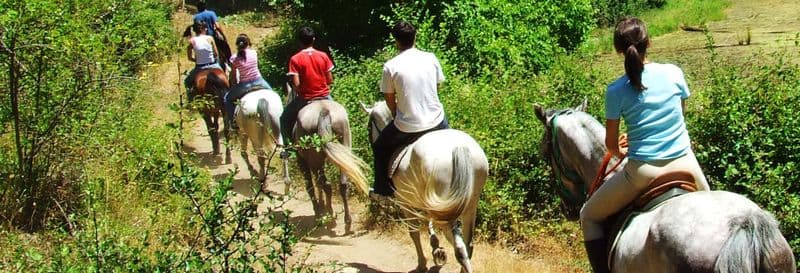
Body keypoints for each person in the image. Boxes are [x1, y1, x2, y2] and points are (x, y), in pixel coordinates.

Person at [580, 17, 710, 273]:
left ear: (619, 50)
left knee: (589, 216)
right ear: (648, 42)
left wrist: (623, 148)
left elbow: (611, 145)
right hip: (686, 162)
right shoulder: (674, 72)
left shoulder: (616, 90)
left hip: (642, 172)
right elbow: (679, 117)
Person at [370, 21, 450, 199]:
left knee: (380, 147)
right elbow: (437, 88)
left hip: (407, 125)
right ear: (415, 37)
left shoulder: (390, 66)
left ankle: (383, 189)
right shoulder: (431, 58)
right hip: (437, 120)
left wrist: (397, 114)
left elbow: (390, 100)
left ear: (396, 41)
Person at [280, 26, 335, 145]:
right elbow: (330, 80)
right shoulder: (323, 56)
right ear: (313, 39)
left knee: (284, 119)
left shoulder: (295, 59)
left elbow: (296, 84)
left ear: (299, 41)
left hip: (306, 99)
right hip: (325, 96)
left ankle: (288, 149)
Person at [225, 34, 271, 130]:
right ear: (248, 44)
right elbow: (257, 66)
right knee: (273, 94)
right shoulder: (254, 53)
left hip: (244, 85)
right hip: (259, 81)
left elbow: (233, 76)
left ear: (237, 45)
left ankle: (233, 121)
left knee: (227, 99)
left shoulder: (234, 58)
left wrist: (233, 86)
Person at [184, 21, 222, 96]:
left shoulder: (191, 41)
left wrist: (196, 60)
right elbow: (216, 54)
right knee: (225, 77)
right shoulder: (210, 38)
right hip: (213, 65)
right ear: (205, 29)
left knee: (187, 81)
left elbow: (190, 57)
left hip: (200, 67)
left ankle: (190, 99)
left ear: (194, 30)